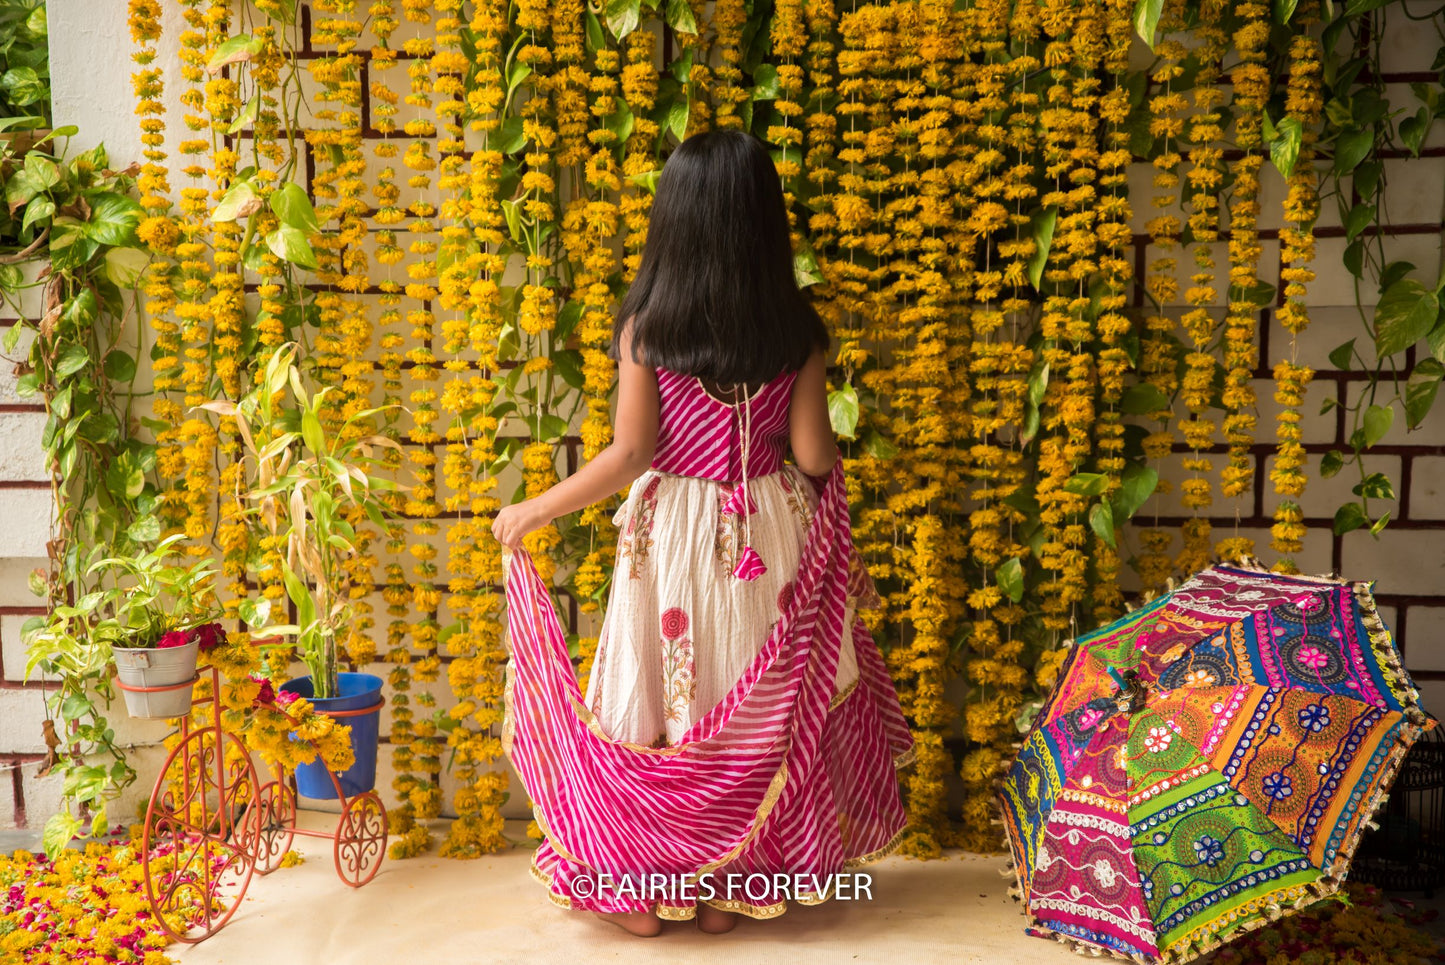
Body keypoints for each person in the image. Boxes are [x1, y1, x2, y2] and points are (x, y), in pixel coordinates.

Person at [492, 128, 915, 938]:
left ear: (675, 219)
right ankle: (730, 886)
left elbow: (628, 454)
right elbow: (813, 454)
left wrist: (535, 509)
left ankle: (649, 888)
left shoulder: (647, 328)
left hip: (672, 544)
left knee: (663, 696)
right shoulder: (795, 331)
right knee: (749, 699)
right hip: (767, 535)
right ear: (765, 222)